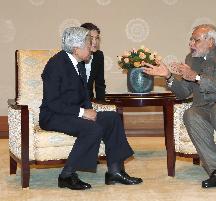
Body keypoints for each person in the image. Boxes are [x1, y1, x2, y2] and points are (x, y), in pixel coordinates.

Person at [143, 24, 216, 190]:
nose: (191, 44)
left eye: (195, 40)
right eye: (191, 40)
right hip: (208, 108)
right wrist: (168, 76)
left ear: (210, 41)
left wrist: (197, 77)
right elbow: (184, 93)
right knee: (191, 114)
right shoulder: (191, 59)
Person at [39, 27, 142, 190]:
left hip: (73, 114)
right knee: (92, 129)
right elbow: (52, 103)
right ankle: (66, 175)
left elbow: (84, 95)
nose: (92, 47)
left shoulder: (78, 64)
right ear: (76, 48)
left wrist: (89, 110)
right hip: (53, 116)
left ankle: (114, 171)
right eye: (88, 45)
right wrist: (82, 112)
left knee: (112, 118)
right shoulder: (55, 65)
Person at [80, 22, 106, 102]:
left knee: (112, 114)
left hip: (90, 101)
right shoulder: (74, 56)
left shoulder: (98, 56)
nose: (95, 42)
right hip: (72, 104)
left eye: (97, 38)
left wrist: (102, 106)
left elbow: (100, 84)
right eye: (91, 38)